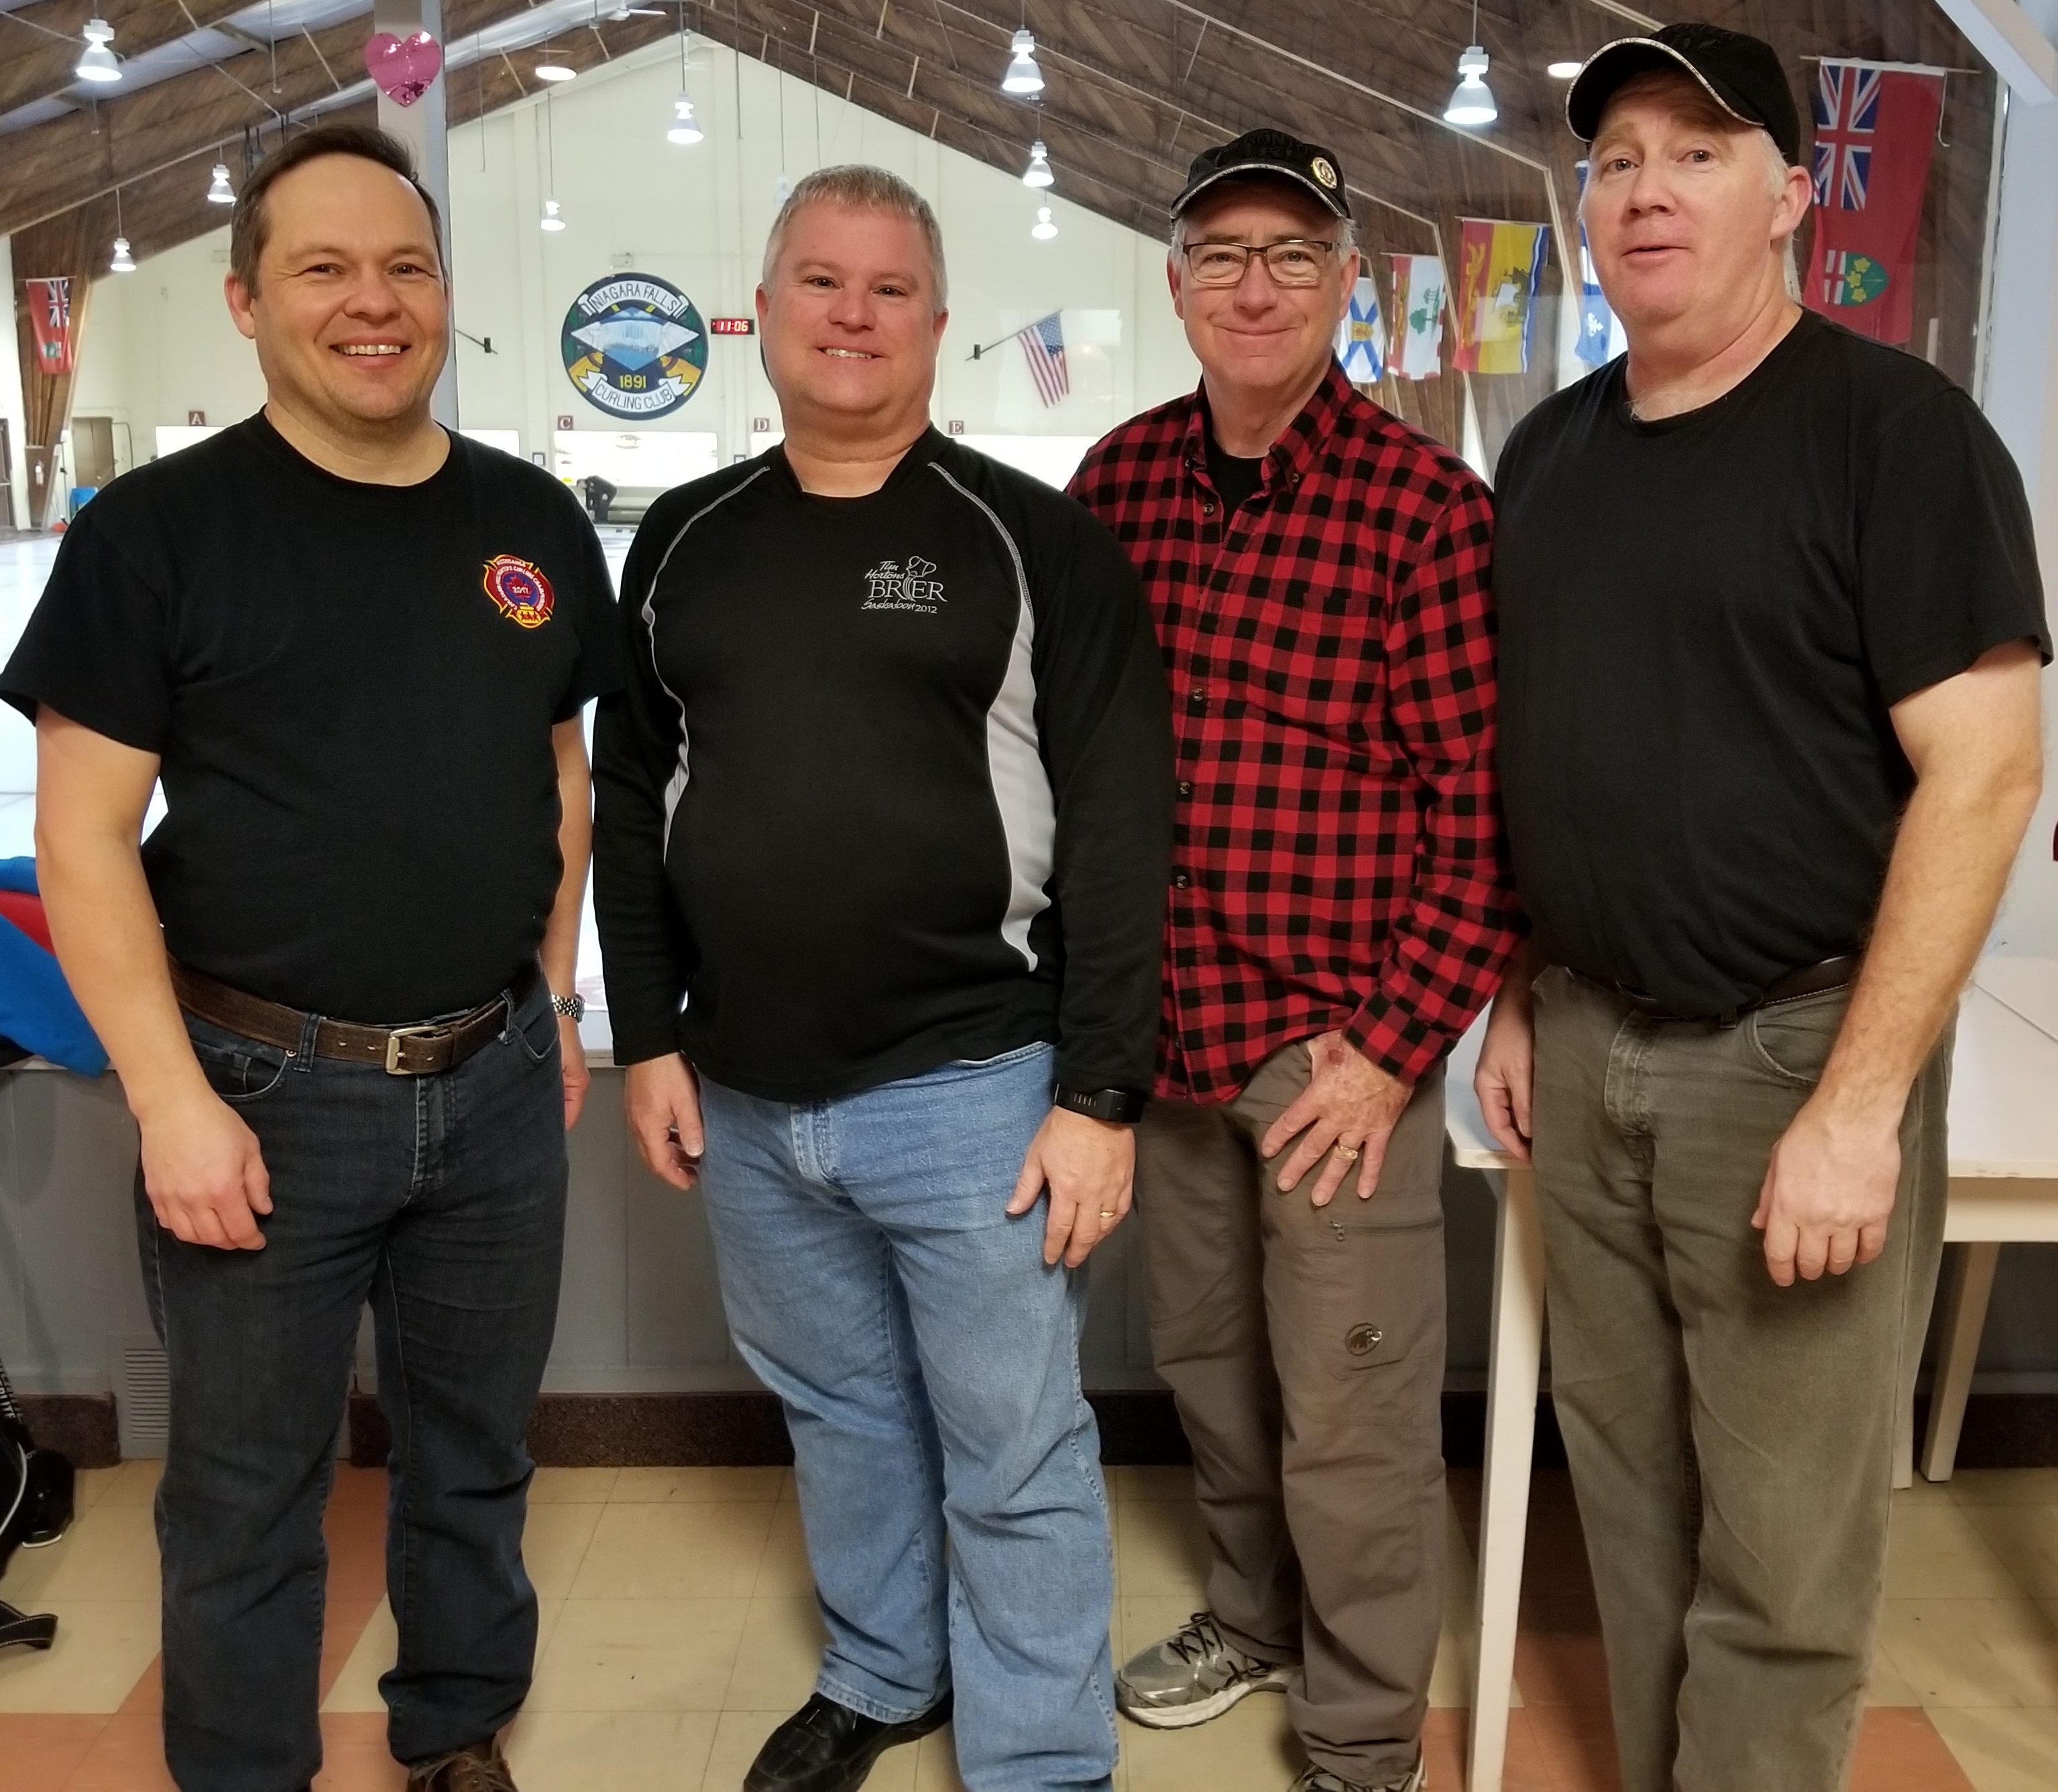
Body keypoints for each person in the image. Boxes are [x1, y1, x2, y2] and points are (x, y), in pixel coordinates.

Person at [2, 125, 620, 1792]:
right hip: (259, 1086)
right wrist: (171, 1101)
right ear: (246, 300)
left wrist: (553, 999)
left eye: (406, 267)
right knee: (244, 1488)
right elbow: (84, 842)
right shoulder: (157, 532)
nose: (374, 302)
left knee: (473, 1454)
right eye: (325, 269)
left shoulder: (529, 517)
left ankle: (455, 1728)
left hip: (494, 1075)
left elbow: (560, 784)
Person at [1474, 25, 2048, 1792]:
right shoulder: (1547, 454)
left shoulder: (1896, 437)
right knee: (1630, 1503)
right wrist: (1518, 985)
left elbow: (1983, 776)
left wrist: (1858, 1107)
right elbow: (1554, 743)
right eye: (1614, 159)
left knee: (1782, 1564)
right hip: (1585, 1048)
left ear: (1792, 195)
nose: (1645, 190)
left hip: (1790, 1056)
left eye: (1697, 152)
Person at [591, 165, 1172, 1792]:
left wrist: (1098, 1091)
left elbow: (1122, 825)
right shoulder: (683, 541)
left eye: (889, 287)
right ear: (761, 311)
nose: (852, 314)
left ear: (935, 322)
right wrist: (649, 1035)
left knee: (1012, 1442)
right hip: (745, 1090)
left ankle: (1039, 1757)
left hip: (972, 1086)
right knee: (837, 1408)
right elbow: (631, 797)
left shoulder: (1029, 540)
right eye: (821, 281)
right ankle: (881, 1668)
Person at [1068, 129, 1520, 1792]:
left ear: (1341, 285)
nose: (1251, 286)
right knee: (1205, 1365)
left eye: (1288, 255)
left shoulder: (1425, 510)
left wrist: (1395, 1047)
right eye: (1220, 254)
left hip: (1332, 1052)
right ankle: (1251, 1613)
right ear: (1174, 282)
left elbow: (1481, 814)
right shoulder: (1114, 484)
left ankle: (1360, 1732)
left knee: (1350, 1406)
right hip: (1166, 1032)